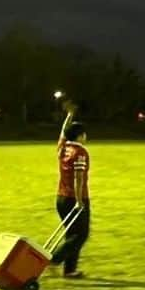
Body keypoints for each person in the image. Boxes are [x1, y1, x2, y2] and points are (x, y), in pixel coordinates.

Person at [53, 107, 91, 277]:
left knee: (72, 235)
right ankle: (54, 260)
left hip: (61, 198)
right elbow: (78, 177)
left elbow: (63, 132)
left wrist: (69, 117)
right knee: (81, 235)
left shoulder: (63, 148)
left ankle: (70, 270)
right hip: (74, 198)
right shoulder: (80, 152)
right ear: (80, 135)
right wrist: (79, 200)